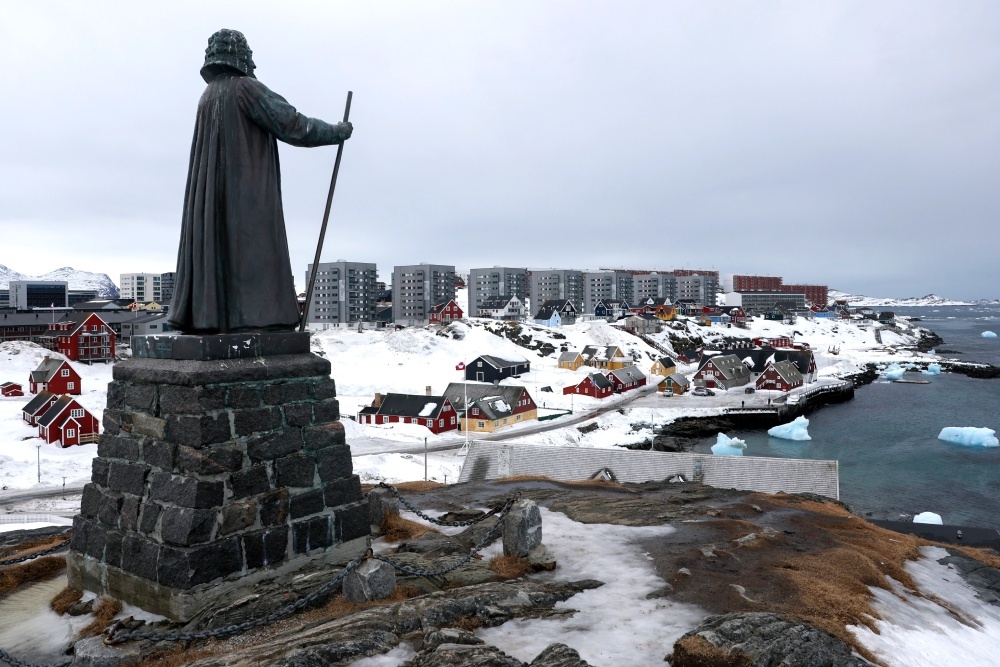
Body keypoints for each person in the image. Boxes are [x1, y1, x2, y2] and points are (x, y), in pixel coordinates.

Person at [168, 29, 353, 334]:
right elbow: (295, 125)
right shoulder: (245, 88)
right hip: (245, 195)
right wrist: (337, 131)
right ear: (241, 55)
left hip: (215, 199)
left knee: (224, 251)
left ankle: (217, 319)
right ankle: (257, 319)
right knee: (254, 253)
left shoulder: (208, 95)